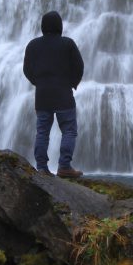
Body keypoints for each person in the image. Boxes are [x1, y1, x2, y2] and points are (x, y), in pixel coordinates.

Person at [23, 10, 84, 177]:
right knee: (69, 131)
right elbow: (79, 67)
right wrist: (73, 83)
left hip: (42, 95)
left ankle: (41, 168)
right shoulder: (68, 44)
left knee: (42, 131)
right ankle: (64, 166)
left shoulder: (33, 45)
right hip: (63, 93)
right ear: (60, 26)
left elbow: (27, 69)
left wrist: (39, 82)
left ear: (42, 27)